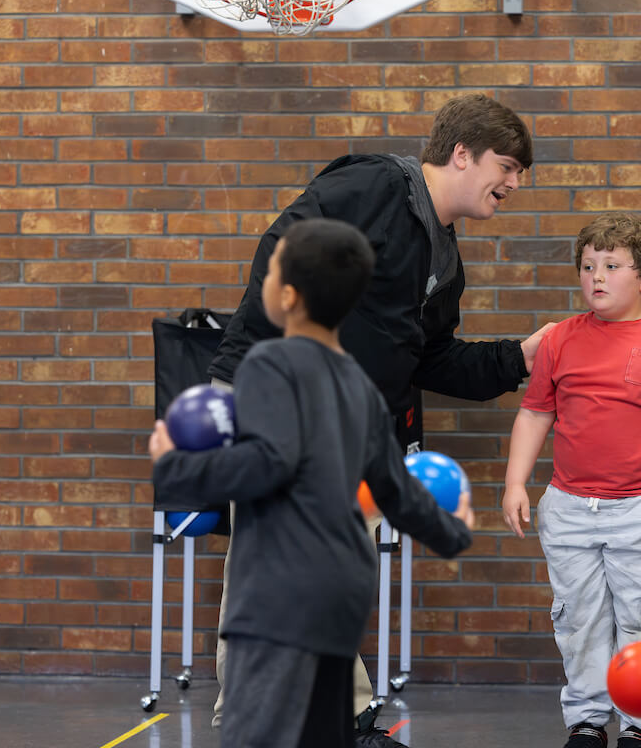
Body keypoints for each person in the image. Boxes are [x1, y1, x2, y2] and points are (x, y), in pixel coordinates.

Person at [205, 94, 550, 747]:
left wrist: (521, 358)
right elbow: (283, 247)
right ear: (460, 154)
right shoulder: (378, 185)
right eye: (506, 166)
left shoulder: (443, 262)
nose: (514, 184)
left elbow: (435, 360)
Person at [150, 219, 476, 748]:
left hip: (275, 587)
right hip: (340, 586)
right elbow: (391, 487)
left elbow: (266, 463)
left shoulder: (265, 366)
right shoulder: (363, 385)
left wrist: (176, 466)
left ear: (286, 296)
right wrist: (449, 531)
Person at [502, 214, 641, 748]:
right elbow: (535, 414)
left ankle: (639, 728)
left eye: (611, 266)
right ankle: (585, 721)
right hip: (571, 508)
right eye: (587, 266)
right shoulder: (560, 340)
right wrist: (515, 483)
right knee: (578, 622)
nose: (596, 277)